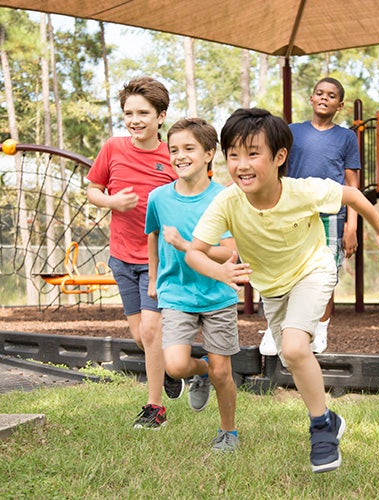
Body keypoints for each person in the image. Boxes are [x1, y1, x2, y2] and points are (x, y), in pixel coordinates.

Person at [185, 108, 379, 473]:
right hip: (273, 287)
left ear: (279, 157)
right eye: (232, 154)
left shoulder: (304, 190)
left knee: (297, 347)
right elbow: (194, 252)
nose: (241, 164)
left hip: (313, 271)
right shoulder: (227, 202)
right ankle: (329, 419)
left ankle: (320, 431)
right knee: (291, 358)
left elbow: (355, 196)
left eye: (253, 153)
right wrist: (219, 270)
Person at [86, 76, 184, 429]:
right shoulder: (113, 148)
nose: (134, 119)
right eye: (129, 113)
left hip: (159, 259)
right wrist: (112, 201)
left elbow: (192, 194)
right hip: (121, 256)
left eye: (143, 112)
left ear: (161, 116)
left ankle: (154, 408)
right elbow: (93, 189)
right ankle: (172, 371)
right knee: (140, 336)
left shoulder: (173, 155)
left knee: (151, 331)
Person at [145, 118, 240, 451]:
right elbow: (153, 236)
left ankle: (228, 432)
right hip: (176, 294)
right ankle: (199, 374)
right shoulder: (158, 198)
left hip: (218, 295)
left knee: (223, 372)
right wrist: (154, 278)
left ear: (209, 154)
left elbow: (228, 253)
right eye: (174, 150)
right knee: (174, 365)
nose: (179, 156)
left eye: (189, 149)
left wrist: (188, 245)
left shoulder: (225, 198)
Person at [259, 76, 361, 355]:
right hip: (293, 213)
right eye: (320, 93)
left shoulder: (346, 137)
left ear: (339, 105)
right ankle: (275, 328)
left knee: (325, 275)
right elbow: (275, 167)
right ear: (312, 99)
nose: (324, 97)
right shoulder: (292, 132)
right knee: (283, 269)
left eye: (331, 95)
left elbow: (352, 185)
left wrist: (351, 226)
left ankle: (320, 330)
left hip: (331, 214)